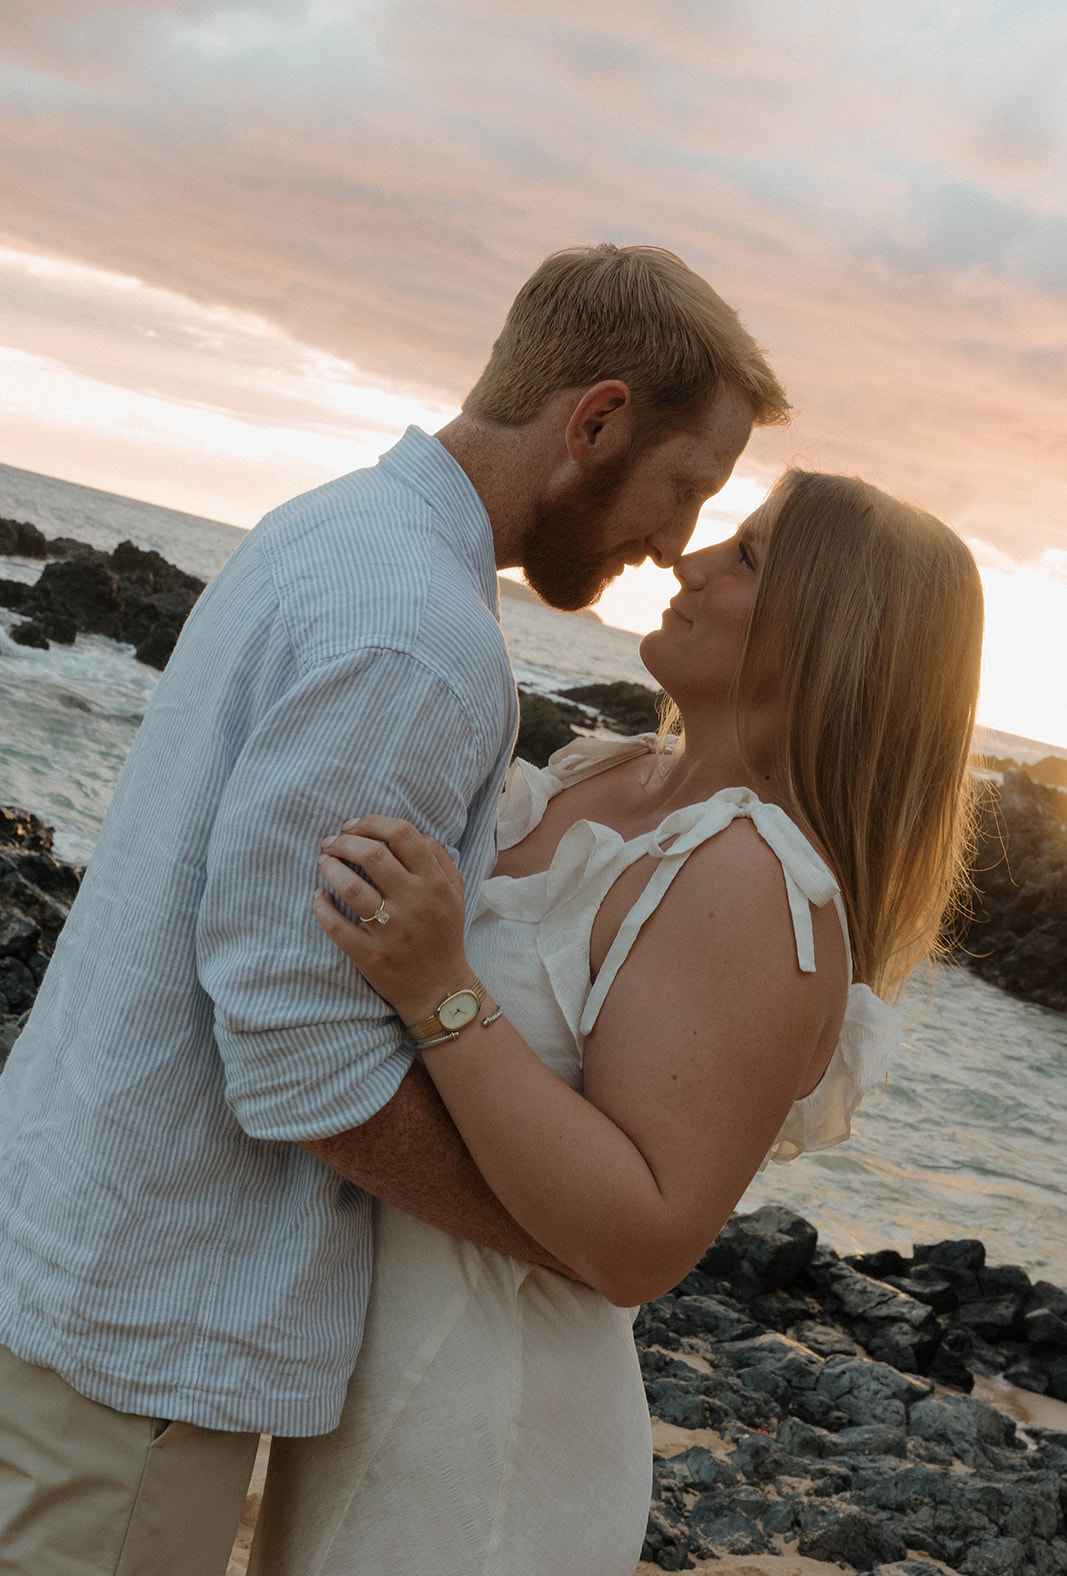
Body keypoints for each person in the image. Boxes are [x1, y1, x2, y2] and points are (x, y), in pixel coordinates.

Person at [0, 244, 789, 1576]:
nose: (671, 541)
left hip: (79, 1250)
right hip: (152, 1336)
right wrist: (558, 1243)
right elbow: (295, 1050)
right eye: (683, 486)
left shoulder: (330, 528)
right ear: (592, 421)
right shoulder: (420, 640)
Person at [248, 469, 984, 1575]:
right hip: (370, 1387)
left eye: (743, 555)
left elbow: (643, 1237)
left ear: (834, 636)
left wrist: (438, 987)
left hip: (484, 1442)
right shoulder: (612, 775)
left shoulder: (750, 879)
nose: (685, 563)